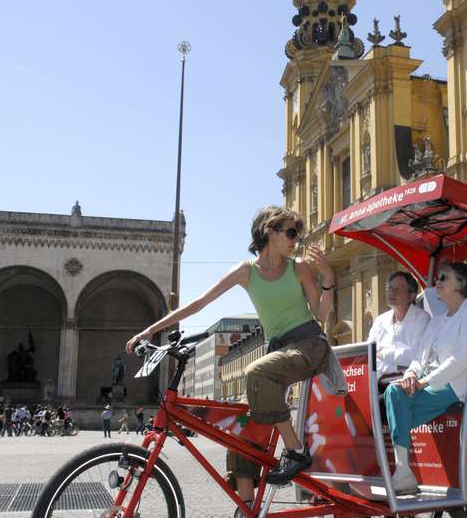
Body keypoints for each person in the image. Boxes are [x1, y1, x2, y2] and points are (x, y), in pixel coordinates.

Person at [126, 206, 336, 502]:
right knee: (242, 432)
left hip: (310, 345)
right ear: (269, 231)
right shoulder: (246, 272)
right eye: (290, 233)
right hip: (277, 352)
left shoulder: (298, 268)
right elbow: (200, 303)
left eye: (297, 234)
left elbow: (321, 315)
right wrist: (150, 330)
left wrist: (327, 277)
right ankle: (246, 506)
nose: (295, 240)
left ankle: (296, 451)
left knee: (257, 371)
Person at [384, 262, 467, 494]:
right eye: (438, 277)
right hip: (427, 383)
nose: (437, 282)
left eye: (444, 278)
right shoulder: (437, 319)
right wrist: (411, 374)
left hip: (453, 385)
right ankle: (403, 471)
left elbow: (462, 359)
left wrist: (423, 381)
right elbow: (420, 356)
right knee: (393, 391)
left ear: (462, 283)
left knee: (396, 410)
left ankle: (401, 472)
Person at [367, 271, 431, 381]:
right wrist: (397, 366)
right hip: (377, 382)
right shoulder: (380, 321)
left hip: (408, 382)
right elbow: (368, 355)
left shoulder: (422, 318)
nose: (392, 293)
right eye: (389, 289)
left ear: (411, 296)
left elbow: (416, 356)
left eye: (398, 290)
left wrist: (382, 354)